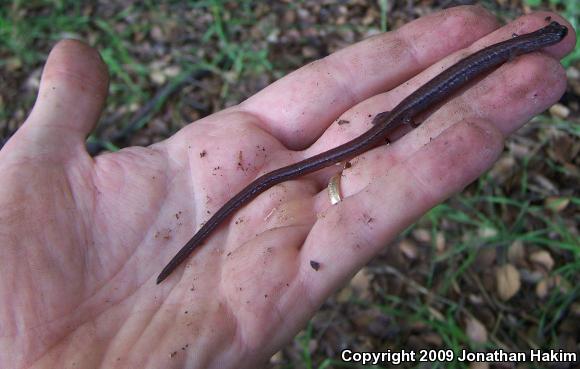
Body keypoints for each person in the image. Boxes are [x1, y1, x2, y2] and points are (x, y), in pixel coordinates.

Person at [0, 6, 574, 369]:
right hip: (396, 117)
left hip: (397, 116)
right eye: (545, 35)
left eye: (545, 35)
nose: (545, 35)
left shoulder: (515, 50)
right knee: (368, 138)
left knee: (397, 127)